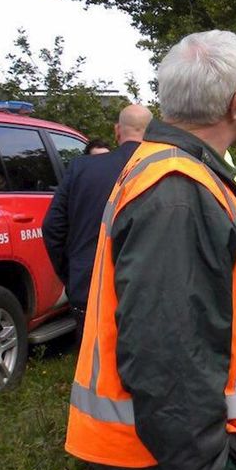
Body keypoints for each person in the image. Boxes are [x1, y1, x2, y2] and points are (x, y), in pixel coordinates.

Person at [65, 30, 236, 470]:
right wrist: (211, 466)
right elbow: (165, 357)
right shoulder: (178, 192)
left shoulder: (171, 168)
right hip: (166, 461)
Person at [43, 105, 152, 343]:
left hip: (89, 287)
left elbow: (53, 227)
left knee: (94, 370)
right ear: (152, 131)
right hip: (148, 294)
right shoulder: (162, 169)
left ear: (117, 131)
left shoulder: (82, 168)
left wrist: (73, 272)